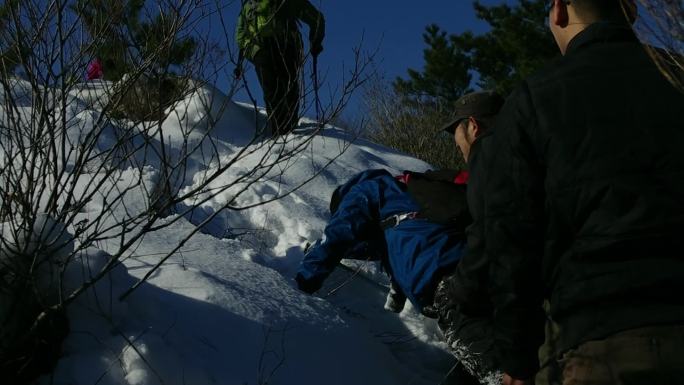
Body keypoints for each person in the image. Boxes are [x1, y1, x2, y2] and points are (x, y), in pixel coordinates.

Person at [476, 1, 684, 384]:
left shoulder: (533, 100)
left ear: (558, 10)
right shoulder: (678, 75)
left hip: (598, 345)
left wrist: (517, 359)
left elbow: (511, 244)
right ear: (631, 12)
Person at [433, 90, 506, 384]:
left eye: (456, 131)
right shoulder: (535, 152)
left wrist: (459, 288)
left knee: (451, 299)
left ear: (473, 126)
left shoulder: (488, 163)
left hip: (522, 306)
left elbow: (490, 239)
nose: (456, 142)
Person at [235, 0, 324, 136]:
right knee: (280, 92)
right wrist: (315, 42)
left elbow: (316, 19)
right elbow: (317, 19)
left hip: (280, 48)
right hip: (272, 49)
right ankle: (283, 133)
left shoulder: (253, 4)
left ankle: (284, 132)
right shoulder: (251, 4)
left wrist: (252, 51)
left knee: (281, 92)